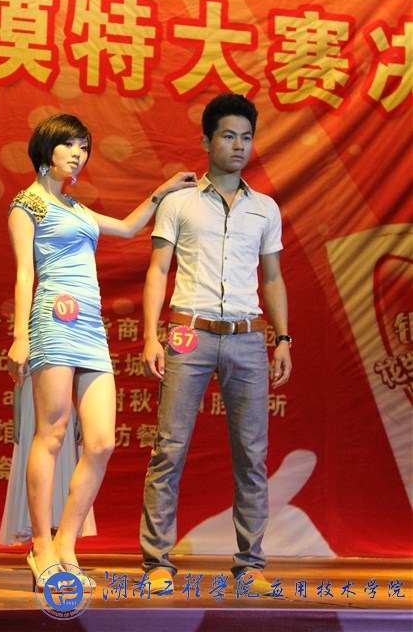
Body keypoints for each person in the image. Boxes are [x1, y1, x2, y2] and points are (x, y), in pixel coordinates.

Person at [6, 113, 197, 590]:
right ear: (46, 149)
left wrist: (163, 190)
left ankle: (66, 543)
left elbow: (130, 227)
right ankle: (42, 548)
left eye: (84, 147)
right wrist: (20, 336)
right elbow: (25, 273)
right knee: (52, 433)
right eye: (69, 144)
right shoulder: (27, 204)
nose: (78, 154)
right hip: (53, 320)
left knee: (101, 442)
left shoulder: (76, 207)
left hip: (90, 328)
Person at [139, 93, 293, 596]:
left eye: (246, 137)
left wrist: (283, 339)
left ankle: (250, 565)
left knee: (252, 453)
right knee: (170, 447)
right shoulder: (179, 202)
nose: (239, 146)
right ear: (206, 141)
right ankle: (157, 562)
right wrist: (150, 334)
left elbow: (273, 278)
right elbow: (158, 270)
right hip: (188, 331)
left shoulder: (265, 208)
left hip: (247, 337)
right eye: (228, 136)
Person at [0, 370, 96, 545]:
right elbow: (18, 383)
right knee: (34, 464)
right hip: (32, 401)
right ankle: (39, 537)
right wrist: (17, 420)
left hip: (64, 398)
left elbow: (79, 378)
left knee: (62, 466)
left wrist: (80, 419)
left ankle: (58, 536)